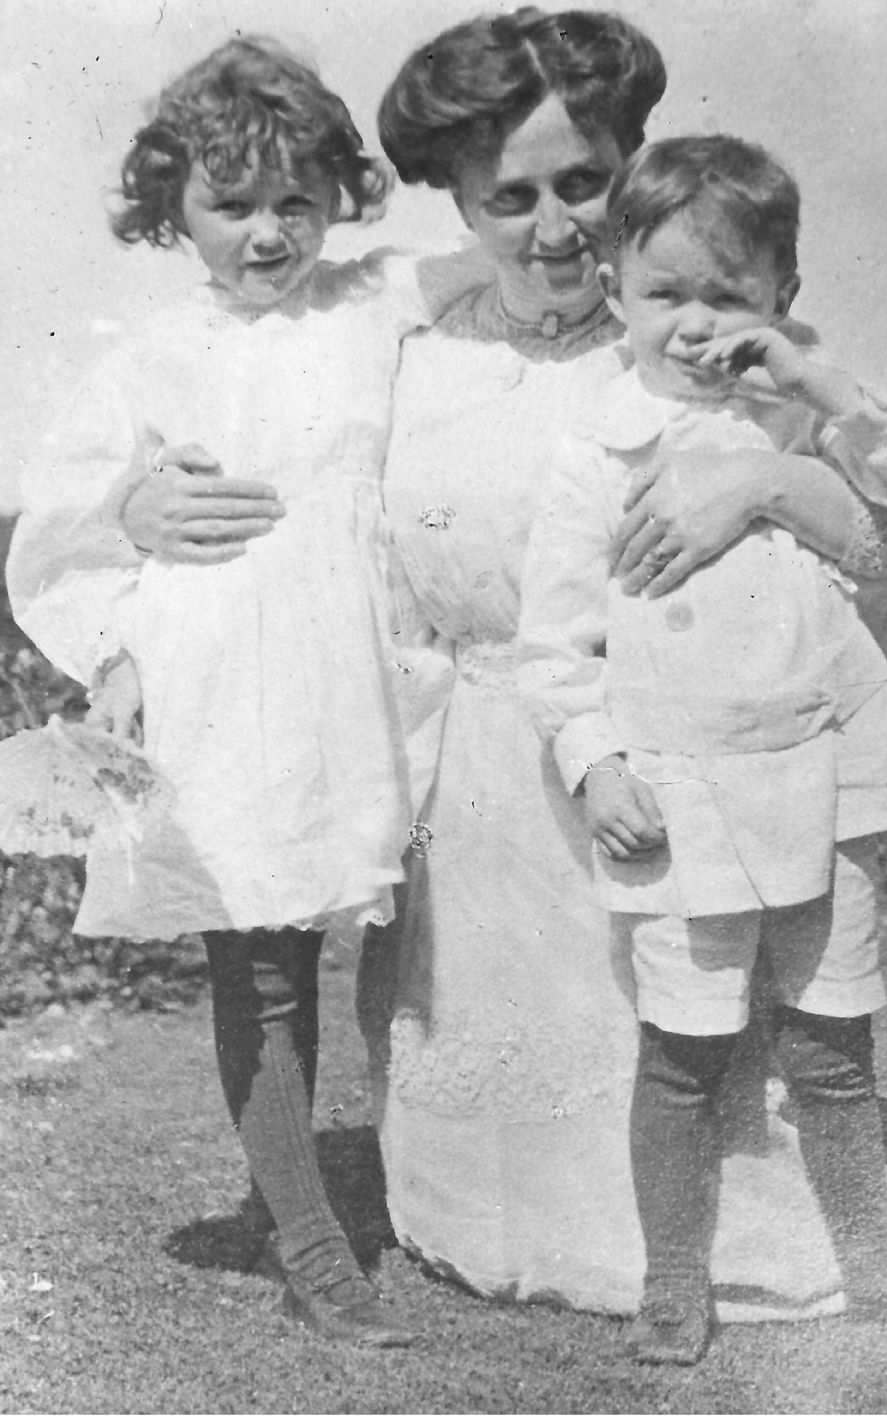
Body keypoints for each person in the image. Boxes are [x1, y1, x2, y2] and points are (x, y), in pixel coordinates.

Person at [108, 10, 887, 1323]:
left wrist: (768, 477)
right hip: (460, 796)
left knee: (656, 1100)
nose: (554, 227)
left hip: (644, 779)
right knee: (471, 1174)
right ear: (456, 200)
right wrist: (134, 510)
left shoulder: (701, 332)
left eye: (583, 183)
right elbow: (242, 405)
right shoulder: (405, 336)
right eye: (507, 197)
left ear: (630, 166)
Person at [6, 35, 485, 1349]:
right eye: (231, 204)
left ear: (339, 191)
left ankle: (443, 1194)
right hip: (227, 671)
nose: (268, 232)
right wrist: (128, 509)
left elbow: (530, 262)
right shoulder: (153, 355)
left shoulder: (381, 298)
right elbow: (60, 524)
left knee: (412, 943)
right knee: (263, 960)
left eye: (295, 197)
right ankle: (310, 1240)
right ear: (176, 213)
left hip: (377, 669)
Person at [516, 133, 887, 1364]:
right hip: (678, 790)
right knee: (684, 1052)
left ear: (780, 293)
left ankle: (870, 1271)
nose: (694, 324)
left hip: (820, 776)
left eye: (729, 294)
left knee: (829, 1047)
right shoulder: (593, 452)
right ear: (614, 289)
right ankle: (675, 1279)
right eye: (665, 292)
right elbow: (552, 644)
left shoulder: (803, 422)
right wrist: (594, 759)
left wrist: (807, 379)